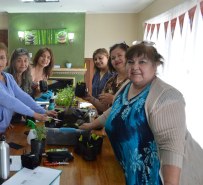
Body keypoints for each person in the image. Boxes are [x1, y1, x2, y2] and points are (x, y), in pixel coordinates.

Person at [80, 42, 203, 185]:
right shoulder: (128, 86)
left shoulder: (166, 96)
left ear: (156, 65)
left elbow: (172, 150)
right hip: (132, 173)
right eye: (131, 62)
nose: (135, 66)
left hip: (157, 179)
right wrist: (89, 126)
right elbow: (115, 111)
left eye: (142, 61)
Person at [0, 43, 57, 142]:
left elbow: (23, 96)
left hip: (1, 128)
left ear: (6, 59)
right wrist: (35, 114)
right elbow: (8, 100)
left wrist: (43, 111)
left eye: (2, 58)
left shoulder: (8, 77)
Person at [84, 42, 129, 112]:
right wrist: (90, 98)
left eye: (119, 55)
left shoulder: (135, 80)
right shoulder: (110, 81)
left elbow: (137, 105)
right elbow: (105, 109)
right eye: (113, 58)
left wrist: (114, 99)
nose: (116, 59)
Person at [91, 48, 115, 115]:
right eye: (95, 59)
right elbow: (94, 94)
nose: (97, 61)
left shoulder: (113, 75)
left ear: (107, 57)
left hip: (109, 113)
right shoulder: (96, 74)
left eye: (100, 58)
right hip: (96, 112)